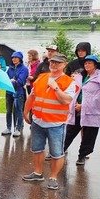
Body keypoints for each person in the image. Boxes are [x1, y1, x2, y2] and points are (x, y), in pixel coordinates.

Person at [22, 53, 76, 190]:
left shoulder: (69, 82)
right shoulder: (41, 77)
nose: (53, 64)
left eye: (57, 63)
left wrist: (55, 87)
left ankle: (53, 177)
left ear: (64, 64)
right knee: (37, 149)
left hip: (55, 124)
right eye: (52, 62)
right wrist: (25, 111)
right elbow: (32, 96)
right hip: (38, 121)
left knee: (57, 153)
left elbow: (66, 100)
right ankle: (37, 173)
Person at [64, 55, 100, 166]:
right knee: (69, 132)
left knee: (89, 135)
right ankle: (58, 152)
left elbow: (97, 97)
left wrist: (83, 106)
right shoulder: (79, 76)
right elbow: (73, 90)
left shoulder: (98, 78)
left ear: (95, 65)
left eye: (90, 63)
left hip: (91, 111)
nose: (87, 65)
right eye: (85, 63)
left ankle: (82, 156)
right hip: (75, 109)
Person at [2, 51, 29, 137]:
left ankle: (18, 128)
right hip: (9, 91)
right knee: (8, 110)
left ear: (20, 59)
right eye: (12, 57)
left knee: (19, 111)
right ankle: (8, 128)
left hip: (19, 92)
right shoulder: (10, 68)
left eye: (16, 57)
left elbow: (20, 82)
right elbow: (6, 78)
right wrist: (11, 81)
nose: (13, 59)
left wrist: (13, 81)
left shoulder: (24, 69)